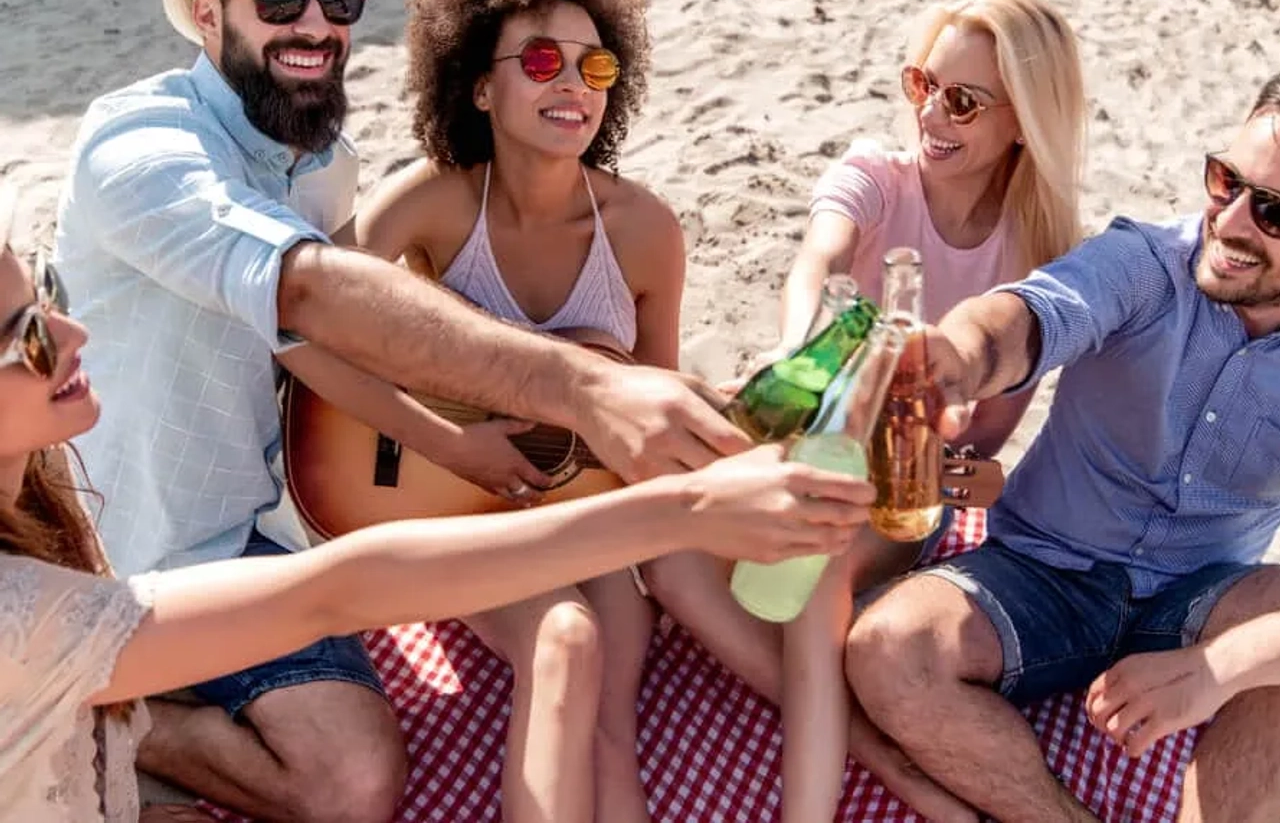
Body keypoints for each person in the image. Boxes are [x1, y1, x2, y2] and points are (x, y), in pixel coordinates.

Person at [51, 0, 751, 820]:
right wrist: (574, 389)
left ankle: (114, 704)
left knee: (361, 776)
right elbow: (312, 291)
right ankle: (78, 699)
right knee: (368, 764)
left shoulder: (322, 163)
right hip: (133, 544)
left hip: (269, 538)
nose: (314, 23)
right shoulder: (138, 144)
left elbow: (317, 349)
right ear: (207, 16)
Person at [0, 190, 877, 823]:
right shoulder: (20, 616)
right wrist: (683, 508)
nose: (75, 333)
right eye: (27, 337)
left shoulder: (37, 513)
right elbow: (337, 588)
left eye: (47, 296)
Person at [640, 0, 1087, 822]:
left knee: (814, 584)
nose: (932, 114)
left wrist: (963, 471)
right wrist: (799, 350)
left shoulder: (1038, 257)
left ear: (1023, 123)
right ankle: (879, 755)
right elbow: (819, 263)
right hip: (805, 443)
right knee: (668, 562)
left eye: (963, 101)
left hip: (893, 493)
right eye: (924, 83)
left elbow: (982, 443)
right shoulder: (878, 174)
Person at [841, 74, 1280, 823]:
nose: (1231, 221)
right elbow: (1025, 319)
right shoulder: (1145, 264)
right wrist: (956, 357)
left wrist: (1219, 667)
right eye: (1225, 182)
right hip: (1044, 568)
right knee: (888, 650)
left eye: (1272, 211)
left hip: (1203, 591)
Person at [341, 0, 681, 823]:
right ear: (479, 85)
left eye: (594, 66)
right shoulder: (430, 204)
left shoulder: (645, 231)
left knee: (614, 718)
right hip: (450, 503)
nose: (572, 84)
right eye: (538, 61)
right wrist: (446, 441)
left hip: (581, 509)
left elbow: (656, 413)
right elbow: (317, 330)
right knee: (565, 639)